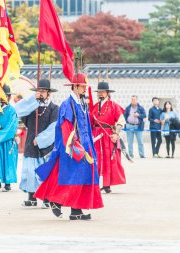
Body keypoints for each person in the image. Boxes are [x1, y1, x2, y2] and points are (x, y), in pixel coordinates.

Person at [34, 73, 103, 220]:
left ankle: (76, 210)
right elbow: (66, 126)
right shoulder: (67, 104)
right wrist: (74, 146)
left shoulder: (82, 103)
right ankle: (55, 200)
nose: (85, 89)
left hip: (86, 145)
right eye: (82, 86)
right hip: (72, 147)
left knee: (83, 177)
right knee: (69, 177)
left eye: (85, 86)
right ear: (75, 87)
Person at [14, 79, 58, 208]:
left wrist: (41, 139)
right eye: (39, 91)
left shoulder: (54, 108)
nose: (41, 93)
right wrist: (33, 100)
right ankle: (31, 197)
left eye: (43, 91)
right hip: (31, 144)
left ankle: (46, 199)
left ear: (49, 93)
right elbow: (17, 111)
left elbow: (54, 128)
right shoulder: (31, 107)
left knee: (45, 173)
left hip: (47, 145)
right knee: (30, 172)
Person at [92, 81, 126, 194]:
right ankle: (95, 183)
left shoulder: (113, 105)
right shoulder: (95, 106)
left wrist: (116, 134)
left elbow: (121, 120)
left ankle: (106, 184)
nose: (100, 94)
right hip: (96, 135)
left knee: (108, 159)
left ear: (107, 93)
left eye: (103, 92)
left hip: (108, 135)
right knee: (96, 158)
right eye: (99, 92)